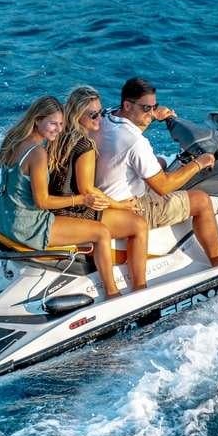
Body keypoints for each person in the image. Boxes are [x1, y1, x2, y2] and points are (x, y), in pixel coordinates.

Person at [0, 95, 124, 298]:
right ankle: (112, 293)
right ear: (37, 120)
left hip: (5, 220)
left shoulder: (14, 140)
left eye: (61, 124)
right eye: (53, 123)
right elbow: (43, 202)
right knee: (101, 232)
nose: (59, 129)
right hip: (28, 227)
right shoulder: (37, 153)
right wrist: (82, 199)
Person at [95, 77, 218, 266]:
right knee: (201, 200)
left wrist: (152, 115)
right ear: (127, 105)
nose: (151, 112)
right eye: (146, 108)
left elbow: (128, 133)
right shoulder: (136, 143)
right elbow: (163, 187)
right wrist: (199, 163)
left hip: (106, 194)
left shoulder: (106, 116)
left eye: (154, 106)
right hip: (131, 207)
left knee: (161, 162)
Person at [48, 86, 152, 292]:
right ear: (78, 115)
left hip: (56, 207)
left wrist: (151, 116)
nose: (100, 118)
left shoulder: (59, 136)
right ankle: (138, 288)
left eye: (101, 112)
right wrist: (121, 205)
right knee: (138, 225)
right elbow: (88, 191)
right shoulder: (85, 145)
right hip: (73, 211)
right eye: (93, 115)